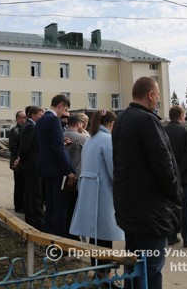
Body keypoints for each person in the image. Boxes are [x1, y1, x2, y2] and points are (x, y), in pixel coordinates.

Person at [112, 77, 181, 289]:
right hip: (150, 211)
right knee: (151, 267)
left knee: (132, 266)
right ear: (150, 95)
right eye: (158, 96)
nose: (158, 100)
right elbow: (163, 165)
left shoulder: (121, 120)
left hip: (129, 207)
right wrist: (175, 194)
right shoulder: (148, 120)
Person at [70, 110, 123, 271]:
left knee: (95, 235)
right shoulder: (107, 139)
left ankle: (97, 270)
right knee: (105, 235)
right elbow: (114, 169)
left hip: (90, 190)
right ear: (112, 124)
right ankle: (104, 274)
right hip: (103, 192)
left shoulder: (91, 139)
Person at [36, 94, 76, 237]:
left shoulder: (41, 120)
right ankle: (59, 243)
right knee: (60, 209)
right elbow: (58, 149)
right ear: (60, 105)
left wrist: (60, 142)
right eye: (64, 109)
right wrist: (69, 171)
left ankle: (48, 239)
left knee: (50, 207)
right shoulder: (54, 120)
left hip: (46, 169)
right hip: (58, 171)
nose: (64, 113)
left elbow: (46, 144)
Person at [164, 106, 187, 248]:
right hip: (185, 176)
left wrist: (172, 170)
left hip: (169, 175)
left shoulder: (163, 131)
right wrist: (179, 170)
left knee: (171, 206)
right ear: (180, 115)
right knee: (186, 207)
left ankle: (171, 236)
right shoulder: (186, 131)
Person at [17, 106, 45, 230]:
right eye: (40, 115)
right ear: (33, 115)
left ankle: (31, 219)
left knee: (29, 193)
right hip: (32, 165)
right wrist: (20, 159)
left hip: (30, 164)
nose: (42, 118)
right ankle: (37, 221)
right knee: (35, 193)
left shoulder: (30, 125)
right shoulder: (30, 126)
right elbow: (25, 147)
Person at [64, 115, 87, 236]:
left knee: (64, 208)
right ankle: (72, 235)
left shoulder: (61, 135)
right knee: (73, 210)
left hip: (63, 176)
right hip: (76, 177)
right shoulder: (82, 138)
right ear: (78, 124)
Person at [8, 110, 27, 213]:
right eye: (23, 117)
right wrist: (21, 154)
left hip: (23, 162)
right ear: (18, 119)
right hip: (17, 163)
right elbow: (12, 147)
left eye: (25, 117)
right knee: (19, 185)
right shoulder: (14, 130)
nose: (25, 119)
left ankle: (23, 205)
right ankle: (19, 206)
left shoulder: (25, 129)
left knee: (24, 185)